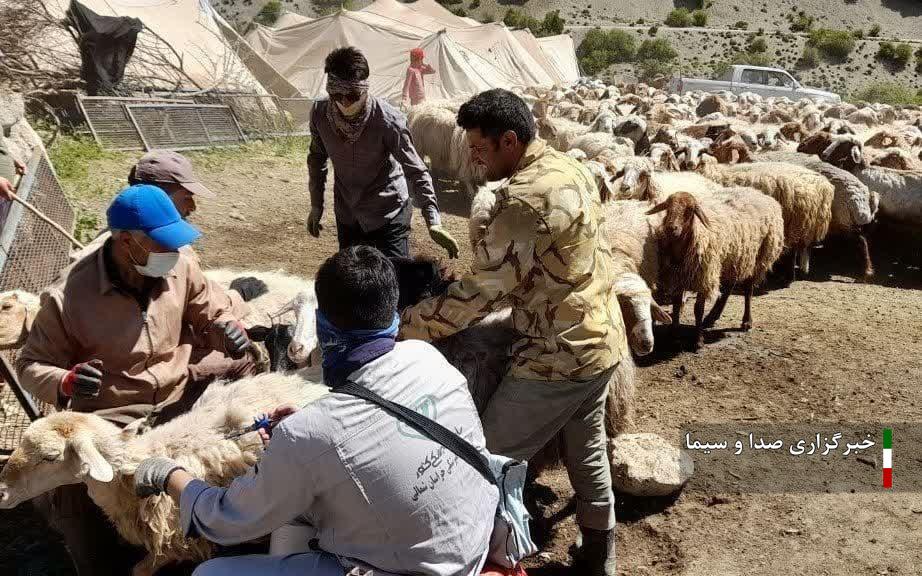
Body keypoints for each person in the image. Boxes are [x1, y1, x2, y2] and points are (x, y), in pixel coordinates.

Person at [134, 246, 498, 576]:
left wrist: (171, 475)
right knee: (299, 510)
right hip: (477, 538)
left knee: (210, 575)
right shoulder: (427, 357)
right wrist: (304, 438)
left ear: (323, 326)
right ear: (394, 316)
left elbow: (226, 521)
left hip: (421, 569)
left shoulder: (310, 433)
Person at [400, 89, 629, 576]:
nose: (474, 161)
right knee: (586, 453)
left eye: (479, 150)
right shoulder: (571, 168)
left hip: (555, 356)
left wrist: (410, 327)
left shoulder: (524, 201)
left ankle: (480, 558)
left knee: (482, 458)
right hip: (600, 338)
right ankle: (599, 556)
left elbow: (482, 291)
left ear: (509, 141)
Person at [18, 184, 256, 576]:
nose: (173, 253)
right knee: (79, 499)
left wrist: (224, 329)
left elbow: (210, 311)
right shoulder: (68, 297)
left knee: (245, 433)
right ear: (126, 242)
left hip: (183, 396)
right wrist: (66, 382)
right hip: (114, 414)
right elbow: (31, 364)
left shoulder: (178, 266)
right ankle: (99, 563)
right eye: (162, 243)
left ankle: (226, 543)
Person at [306, 47, 459, 260]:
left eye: (351, 95)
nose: (344, 103)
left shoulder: (388, 121)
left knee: (395, 281)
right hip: (348, 214)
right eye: (336, 95)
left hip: (388, 214)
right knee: (353, 281)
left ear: (364, 89)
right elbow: (316, 158)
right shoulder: (320, 113)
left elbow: (416, 170)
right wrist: (316, 205)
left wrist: (433, 221)